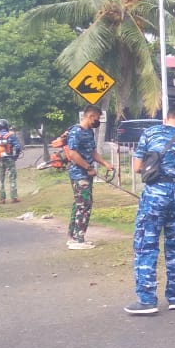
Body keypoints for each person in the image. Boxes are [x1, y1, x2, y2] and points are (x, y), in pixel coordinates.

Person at [125, 105, 175, 316]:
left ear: (166, 118)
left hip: (154, 194)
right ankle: (174, 297)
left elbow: (136, 168)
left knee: (146, 244)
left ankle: (146, 300)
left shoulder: (149, 133)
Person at [64, 106, 111, 250]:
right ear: (90, 116)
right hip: (79, 174)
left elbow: (92, 152)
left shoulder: (89, 131)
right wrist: (88, 168)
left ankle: (73, 237)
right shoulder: (76, 131)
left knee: (79, 204)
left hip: (86, 174)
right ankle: (79, 239)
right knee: (84, 205)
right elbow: (73, 154)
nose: (98, 121)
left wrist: (105, 163)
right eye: (97, 118)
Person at [0, 119, 22, 204]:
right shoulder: (11, 135)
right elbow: (18, 147)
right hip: (9, 159)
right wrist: (15, 156)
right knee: (12, 178)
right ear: (6, 126)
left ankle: (2, 199)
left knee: (0, 179)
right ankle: (14, 198)